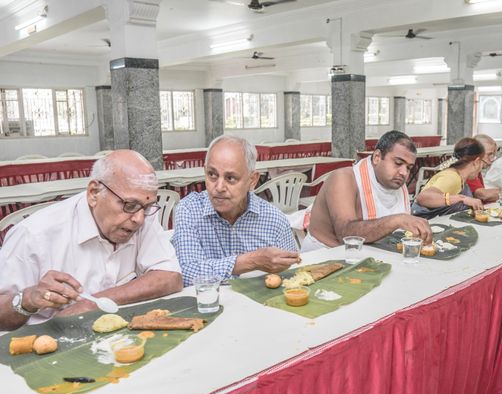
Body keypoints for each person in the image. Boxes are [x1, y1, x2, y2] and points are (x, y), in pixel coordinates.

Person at [0, 150, 183, 331]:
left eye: (148, 207)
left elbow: (170, 277)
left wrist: (92, 303)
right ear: (94, 193)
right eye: (129, 205)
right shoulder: (33, 235)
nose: (140, 219)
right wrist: (27, 300)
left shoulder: (141, 216)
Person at [172, 135, 299, 285]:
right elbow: (186, 274)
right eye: (212, 175)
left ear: (252, 181)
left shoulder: (274, 219)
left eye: (230, 178)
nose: (219, 187)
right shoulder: (190, 210)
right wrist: (251, 261)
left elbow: (292, 273)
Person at [302, 130, 432, 251]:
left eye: (409, 168)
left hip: (371, 254)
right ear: (376, 157)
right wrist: (397, 220)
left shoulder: (396, 182)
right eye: (398, 163)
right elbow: (346, 234)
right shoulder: (343, 179)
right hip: (325, 256)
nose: (404, 173)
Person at [413, 138, 485, 218]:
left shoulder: (459, 177)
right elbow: (423, 197)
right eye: (483, 162)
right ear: (477, 162)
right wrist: (462, 199)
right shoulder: (452, 177)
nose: (482, 167)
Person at [466, 134, 499, 203]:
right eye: (489, 154)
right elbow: (484, 195)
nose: (491, 159)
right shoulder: (469, 168)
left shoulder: (477, 168)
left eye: (492, 155)